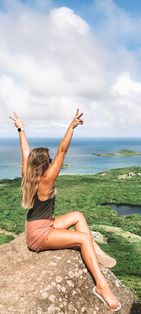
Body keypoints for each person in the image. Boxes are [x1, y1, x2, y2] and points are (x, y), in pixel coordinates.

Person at [9, 110, 121, 312]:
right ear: (45, 165)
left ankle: (96, 253)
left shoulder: (28, 174)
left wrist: (20, 128)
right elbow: (62, 151)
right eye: (49, 159)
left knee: (78, 215)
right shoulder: (46, 181)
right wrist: (71, 127)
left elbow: (25, 150)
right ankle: (102, 286)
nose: (53, 159)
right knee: (83, 239)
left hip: (41, 225)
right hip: (40, 235)